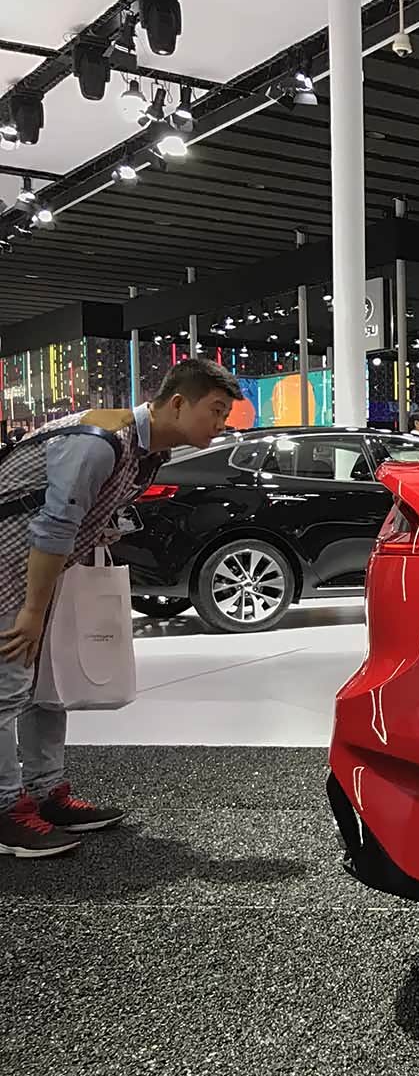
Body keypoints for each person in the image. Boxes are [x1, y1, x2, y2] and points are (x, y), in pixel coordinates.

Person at [0, 358, 240, 859]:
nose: (222, 423)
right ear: (179, 403)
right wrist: (32, 612)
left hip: (39, 570)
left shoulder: (145, 449)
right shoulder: (100, 441)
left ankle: (44, 792)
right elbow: (53, 527)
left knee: (46, 686)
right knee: (7, 687)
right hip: (12, 566)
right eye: (216, 410)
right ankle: (5, 811)